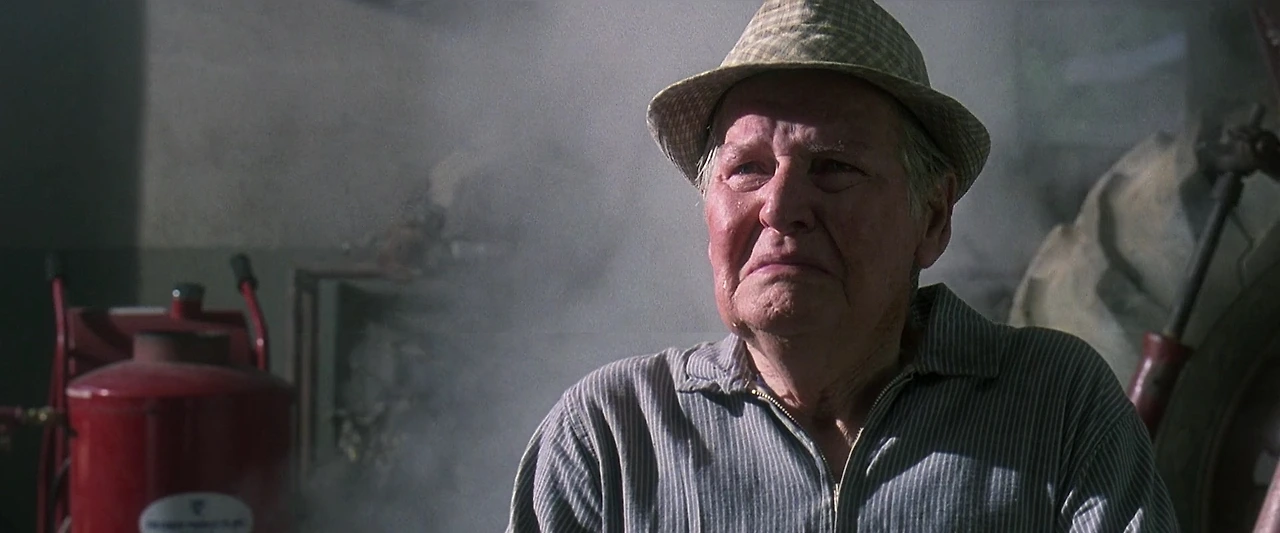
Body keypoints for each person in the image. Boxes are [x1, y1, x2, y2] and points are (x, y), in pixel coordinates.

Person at [507, 0, 1178, 531]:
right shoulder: (613, 437)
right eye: (748, 169)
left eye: (833, 167)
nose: (781, 207)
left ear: (933, 218)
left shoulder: (1055, 406)